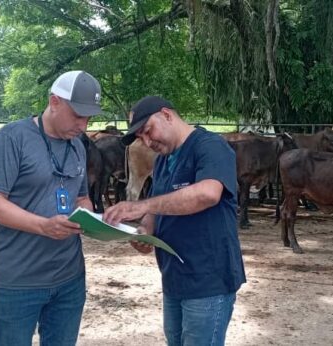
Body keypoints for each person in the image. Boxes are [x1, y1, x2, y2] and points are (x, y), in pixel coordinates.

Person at [103, 96, 245, 346]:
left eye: (148, 131)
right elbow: (159, 204)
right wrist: (145, 229)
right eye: (141, 139)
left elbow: (208, 193)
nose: (148, 142)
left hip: (207, 280)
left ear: (167, 115)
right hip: (174, 277)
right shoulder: (163, 161)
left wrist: (140, 205)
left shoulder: (210, 146)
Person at [0, 70, 102, 345]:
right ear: (54, 102)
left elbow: (80, 196)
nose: (83, 125)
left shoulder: (77, 146)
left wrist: (94, 219)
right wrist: (43, 226)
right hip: (19, 279)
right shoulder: (12, 138)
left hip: (69, 278)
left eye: (88, 117)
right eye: (77, 115)